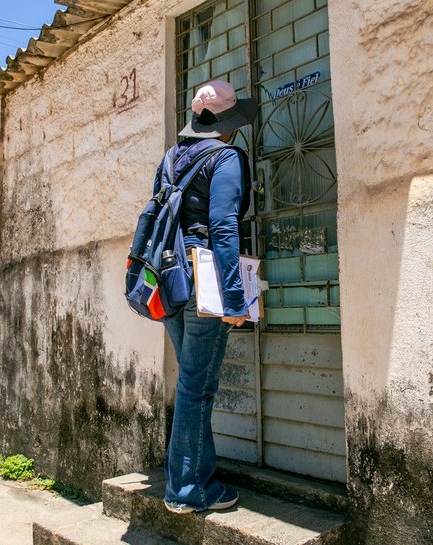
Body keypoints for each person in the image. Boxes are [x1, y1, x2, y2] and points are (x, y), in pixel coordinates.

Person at [160, 80, 256, 514]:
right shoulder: (227, 157)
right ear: (229, 124)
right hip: (205, 283)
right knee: (197, 388)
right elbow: (223, 228)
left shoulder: (173, 157)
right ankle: (187, 490)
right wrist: (236, 299)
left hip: (171, 280)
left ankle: (193, 476)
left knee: (190, 385)